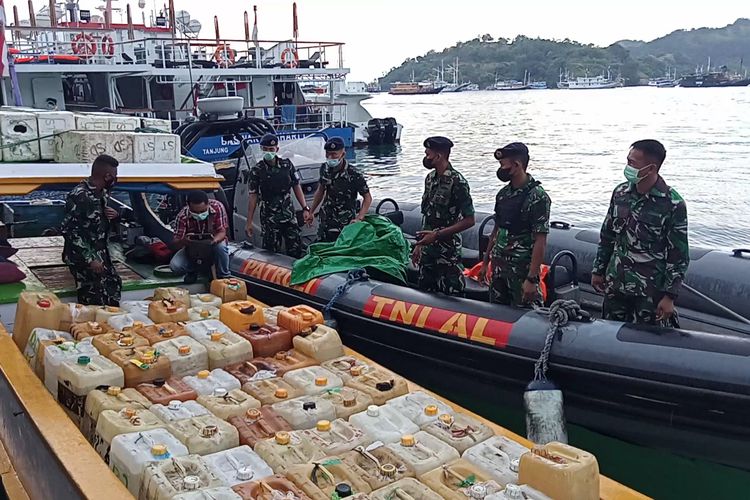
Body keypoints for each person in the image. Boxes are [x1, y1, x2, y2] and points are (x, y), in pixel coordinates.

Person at [591, 139, 689, 326]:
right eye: (627, 161)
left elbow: (679, 255)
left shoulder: (673, 204)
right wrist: (598, 270)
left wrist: (670, 296)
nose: (627, 167)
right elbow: (607, 235)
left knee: (645, 342)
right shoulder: (620, 193)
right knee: (607, 338)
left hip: (649, 292)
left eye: (632, 163)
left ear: (651, 169)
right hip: (616, 285)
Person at [480, 143, 551, 306]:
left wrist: (532, 279)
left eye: (503, 165)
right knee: (497, 314)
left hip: (521, 269)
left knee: (528, 315)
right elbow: (496, 230)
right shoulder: (503, 195)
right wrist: (485, 263)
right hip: (499, 269)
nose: (500, 169)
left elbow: (540, 240)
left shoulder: (538, 197)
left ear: (517, 165)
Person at [412, 136, 475, 296]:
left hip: (447, 253)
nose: (426, 158)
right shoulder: (430, 179)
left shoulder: (458, 182)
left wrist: (437, 235)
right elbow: (427, 214)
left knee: (452, 296)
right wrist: (419, 245)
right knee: (425, 294)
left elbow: (469, 220)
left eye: (428, 154)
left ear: (438, 156)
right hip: (428, 252)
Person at [61, 154, 122, 306]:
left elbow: (99, 222)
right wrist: (90, 258)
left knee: (113, 287)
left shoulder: (102, 193)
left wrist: (114, 217)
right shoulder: (80, 196)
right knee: (93, 297)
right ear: (107, 176)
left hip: (101, 251)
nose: (116, 179)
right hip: (83, 255)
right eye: (114, 176)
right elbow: (69, 231)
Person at [245, 133, 310, 257]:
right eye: (265, 149)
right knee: (271, 251)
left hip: (288, 214)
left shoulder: (287, 165)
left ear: (277, 149)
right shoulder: (257, 170)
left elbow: (296, 186)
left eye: (271, 149)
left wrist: (305, 208)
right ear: (261, 149)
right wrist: (249, 221)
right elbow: (253, 196)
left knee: (296, 247)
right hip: (270, 217)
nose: (268, 152)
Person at [305, 137, 372, 242]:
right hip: (326, 218)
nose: (330, 157)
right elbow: (320, 191)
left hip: (345, 220)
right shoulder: (325, 168)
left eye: (334, 154)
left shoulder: (354, 174)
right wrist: (311, 211)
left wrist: (360, 217)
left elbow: (367, 197)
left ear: (343, 154)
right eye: (328, 154)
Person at [169, 190, 231, 283]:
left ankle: (224, 276)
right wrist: (184, 241)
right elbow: (174, 243)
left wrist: (214, 241)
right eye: (195, 212)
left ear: (208, 204)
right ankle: (192, 271)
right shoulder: (182, 216)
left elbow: (222, 231)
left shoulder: (218, 207)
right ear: (189, 206)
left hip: (213, 243)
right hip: (192, 248)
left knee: (221, 247)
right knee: (176, 266)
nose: (199, 215)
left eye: (202, 211)